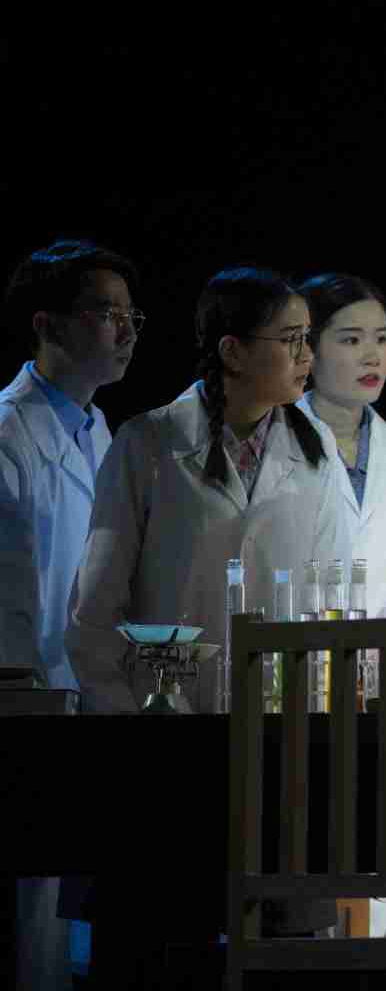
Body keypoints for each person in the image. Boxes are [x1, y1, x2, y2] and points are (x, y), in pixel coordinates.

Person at [65, 266, 349, 988]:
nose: (307, 355)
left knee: (279, 950)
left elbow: (340, 597)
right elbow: (93, 614)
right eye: (290, 339)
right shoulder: (149, 443)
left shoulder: (315, 451)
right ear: (232, 350)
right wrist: (135, 724)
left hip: (279, 742)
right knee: (158, 944)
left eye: (308, 338)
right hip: (164, 743)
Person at [1, 239, 139, 990]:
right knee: (30, 918)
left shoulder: (98, 430)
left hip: (79, 697)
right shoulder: (7, 434)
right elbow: (11, 598)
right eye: (105, 314)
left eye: (130, 316)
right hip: (27, 702)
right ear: (47, 325)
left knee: (63, 922)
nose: (125, 330)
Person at [295, 273, 386, 619]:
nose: (372, 357)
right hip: (298, 644)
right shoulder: (275, 445)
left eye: (381, 339)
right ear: (308, 350)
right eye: (351, 340)